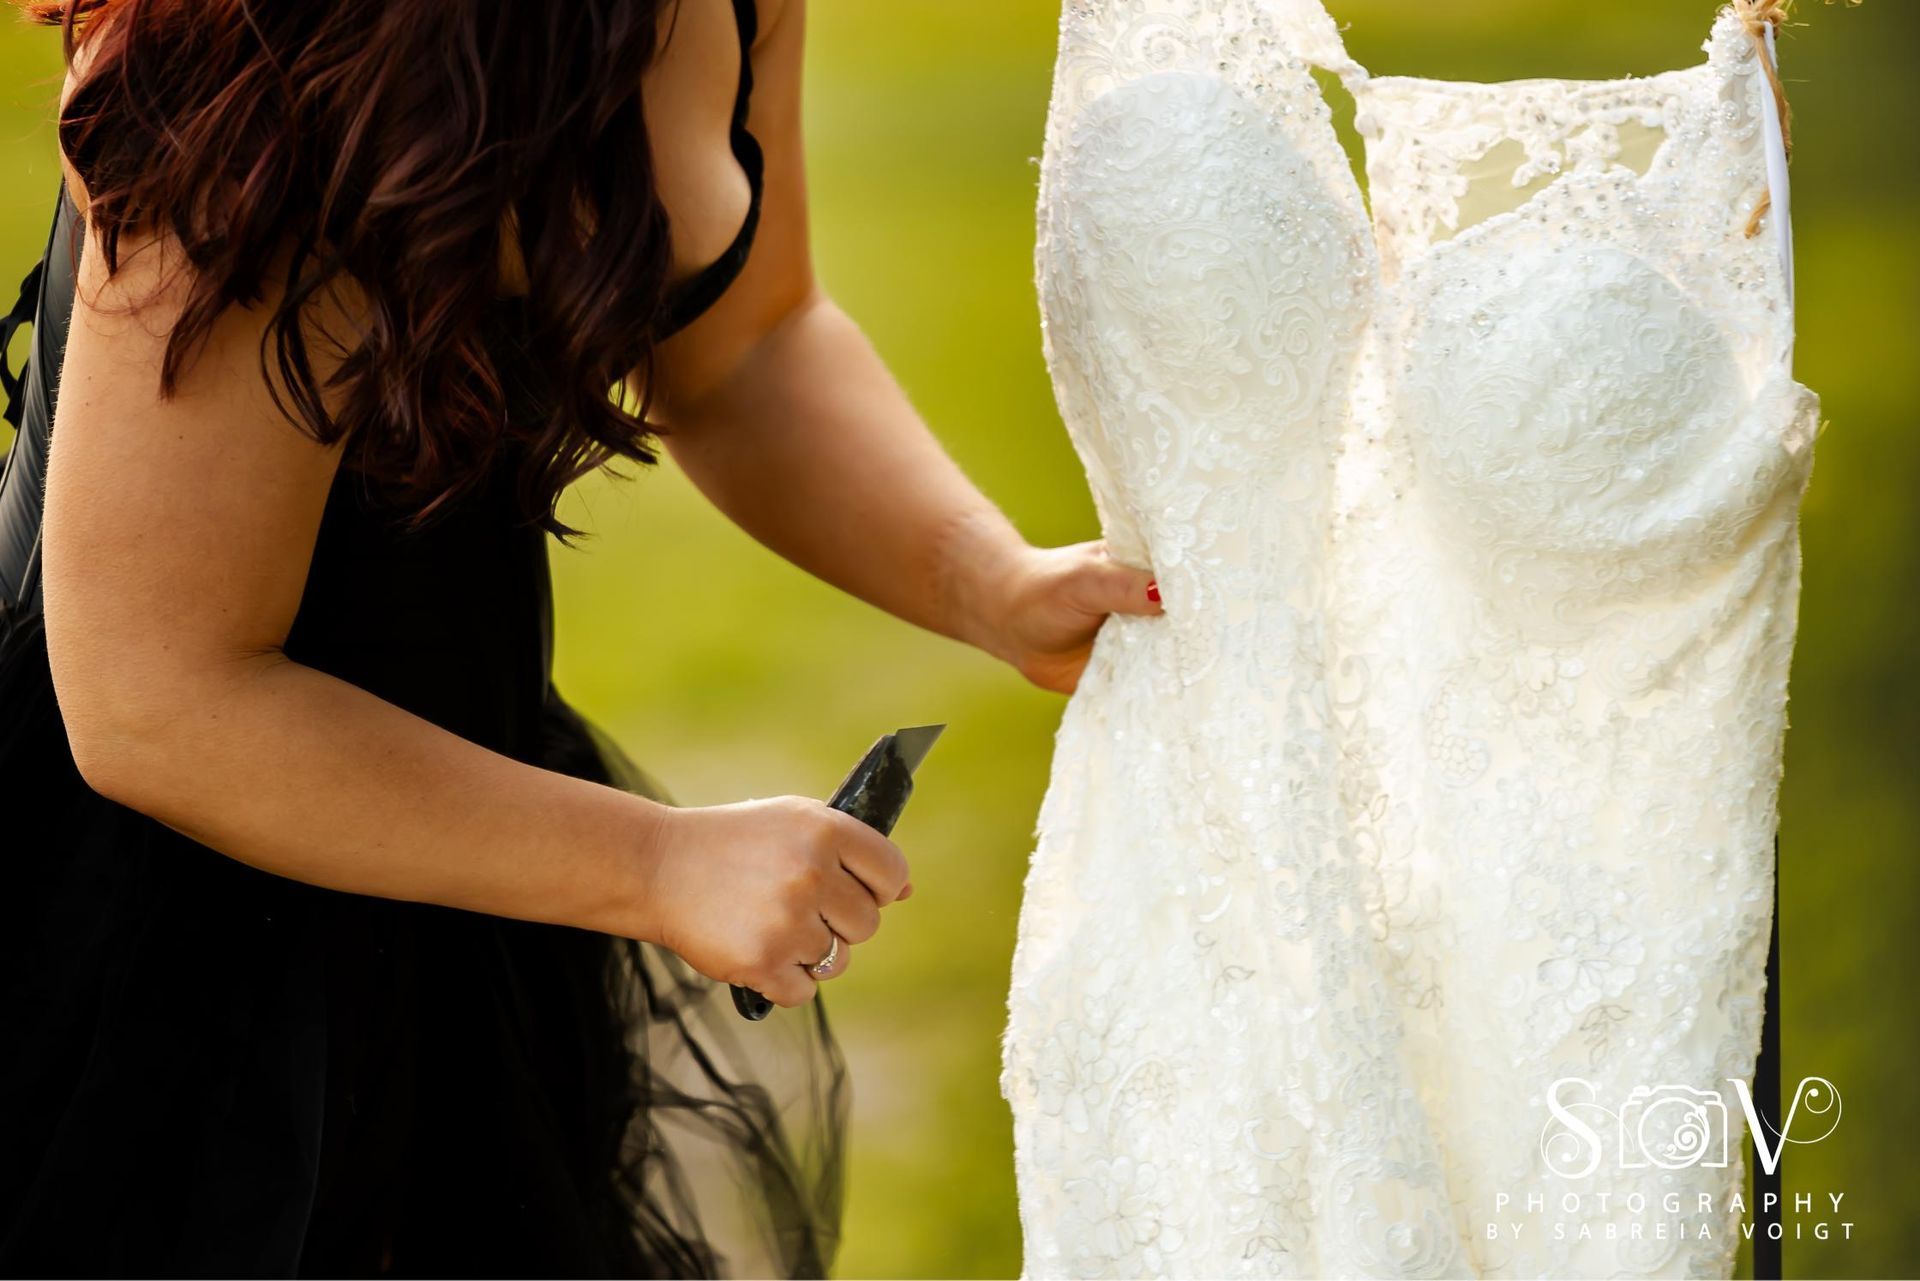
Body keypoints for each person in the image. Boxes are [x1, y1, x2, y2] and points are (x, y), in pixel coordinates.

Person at [0, 0, 1164, 1273]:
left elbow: (743, 347)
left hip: (464, 837)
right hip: (146, 944)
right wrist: (659, 869)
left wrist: (986, 581)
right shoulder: (264, 57)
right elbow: (156, 699)